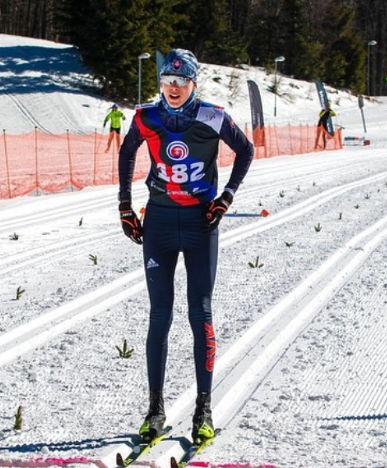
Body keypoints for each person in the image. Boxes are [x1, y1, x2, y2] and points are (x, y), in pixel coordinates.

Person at [117, 49, 254, 445]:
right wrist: (125, 206)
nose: (173, 89)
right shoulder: (147, 116)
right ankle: (155, 410)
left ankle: (203, 410)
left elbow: (245, 150)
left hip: (199, 224)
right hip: (158, 222)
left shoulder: (211, 115)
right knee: (159, 315)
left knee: (200, 314)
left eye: (181, 81)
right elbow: (128, 152)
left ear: (194, 82)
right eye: (167, 81)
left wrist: (226, 197)